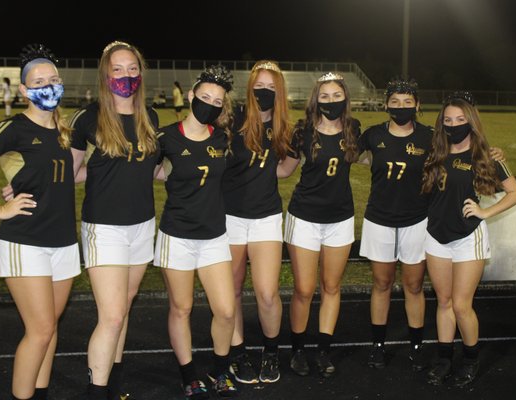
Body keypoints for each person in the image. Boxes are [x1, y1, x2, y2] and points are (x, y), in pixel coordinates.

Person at [0, 44, 79, 400]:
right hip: (26, 240)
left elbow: (67, 175)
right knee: (39, 330)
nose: (48, 86)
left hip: (64, 241)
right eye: (38, 81)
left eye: (53, 79)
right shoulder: (13, 128)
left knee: (50, 329)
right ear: (23, 90)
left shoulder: (65, 130)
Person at [70, 41, 161, 400]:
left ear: (141, 72)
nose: (126, 75)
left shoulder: (150, 117)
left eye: (132, 68)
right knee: (110, 316)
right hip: (104, 227)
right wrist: (25, 185)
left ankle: (114, 386)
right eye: (118, 69)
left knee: (123, 308)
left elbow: (152, 170)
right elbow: (72, 171)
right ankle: (96, 391)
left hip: (142, 225)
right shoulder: (88, 118)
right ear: (106, 74)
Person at [421, 91, 516, 387]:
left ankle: (469, 359)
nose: (453, 125)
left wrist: (486, 210)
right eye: (448, 120)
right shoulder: (435, 149)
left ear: (471, 121)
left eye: (460, 119)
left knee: (461, 305)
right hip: (436, 236)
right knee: (443, 301)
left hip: (468, 237)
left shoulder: (484, 155)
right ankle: (443, 358)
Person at [153, 65, 237, 399]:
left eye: (217, 101)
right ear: (191, 96)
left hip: (214, 235)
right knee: (182, 308)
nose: (210, 104)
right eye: (205, 97)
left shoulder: (223, 137)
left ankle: (219, 371)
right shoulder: (166, 137)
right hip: (177, 235)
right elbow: (142, 173)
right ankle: (189, 375)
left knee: (227, 310)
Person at [277, 72, 361, 378]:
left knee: (331, 287)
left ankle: (324, 350)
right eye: (324, 96)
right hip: (304, 218)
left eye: (336, 95)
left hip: (340, 218)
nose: (330, 101)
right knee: (303, 289)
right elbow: (284, 170)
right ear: (315, 100)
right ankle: (298, 349)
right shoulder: (302, 132)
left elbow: (369, 156)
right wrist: (247, 166)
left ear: (345, 98)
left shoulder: (353, 129)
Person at [222, 60, 292, 384]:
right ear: (250, 88)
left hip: (266, 217)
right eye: (259, 87)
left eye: (270, 88)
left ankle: (271, 351)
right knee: (232, 290)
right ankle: (237, 353)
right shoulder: (232, 120)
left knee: (266, 293)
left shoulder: (283, 126)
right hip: (230, 217)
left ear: (279, 91)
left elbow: (286, 167)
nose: (264, 92)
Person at [358, 78, 432, 371]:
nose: (401, 107)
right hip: (380, 218)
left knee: (414, 285)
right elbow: (350, 155)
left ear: (417, 105)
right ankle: (378, 345)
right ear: (386, 104)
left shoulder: (429, 136)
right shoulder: (373, 134)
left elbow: (461, 153)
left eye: (407, 102)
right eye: (395, 102)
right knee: (382, 283)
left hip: (417, 218)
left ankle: (416, 345)